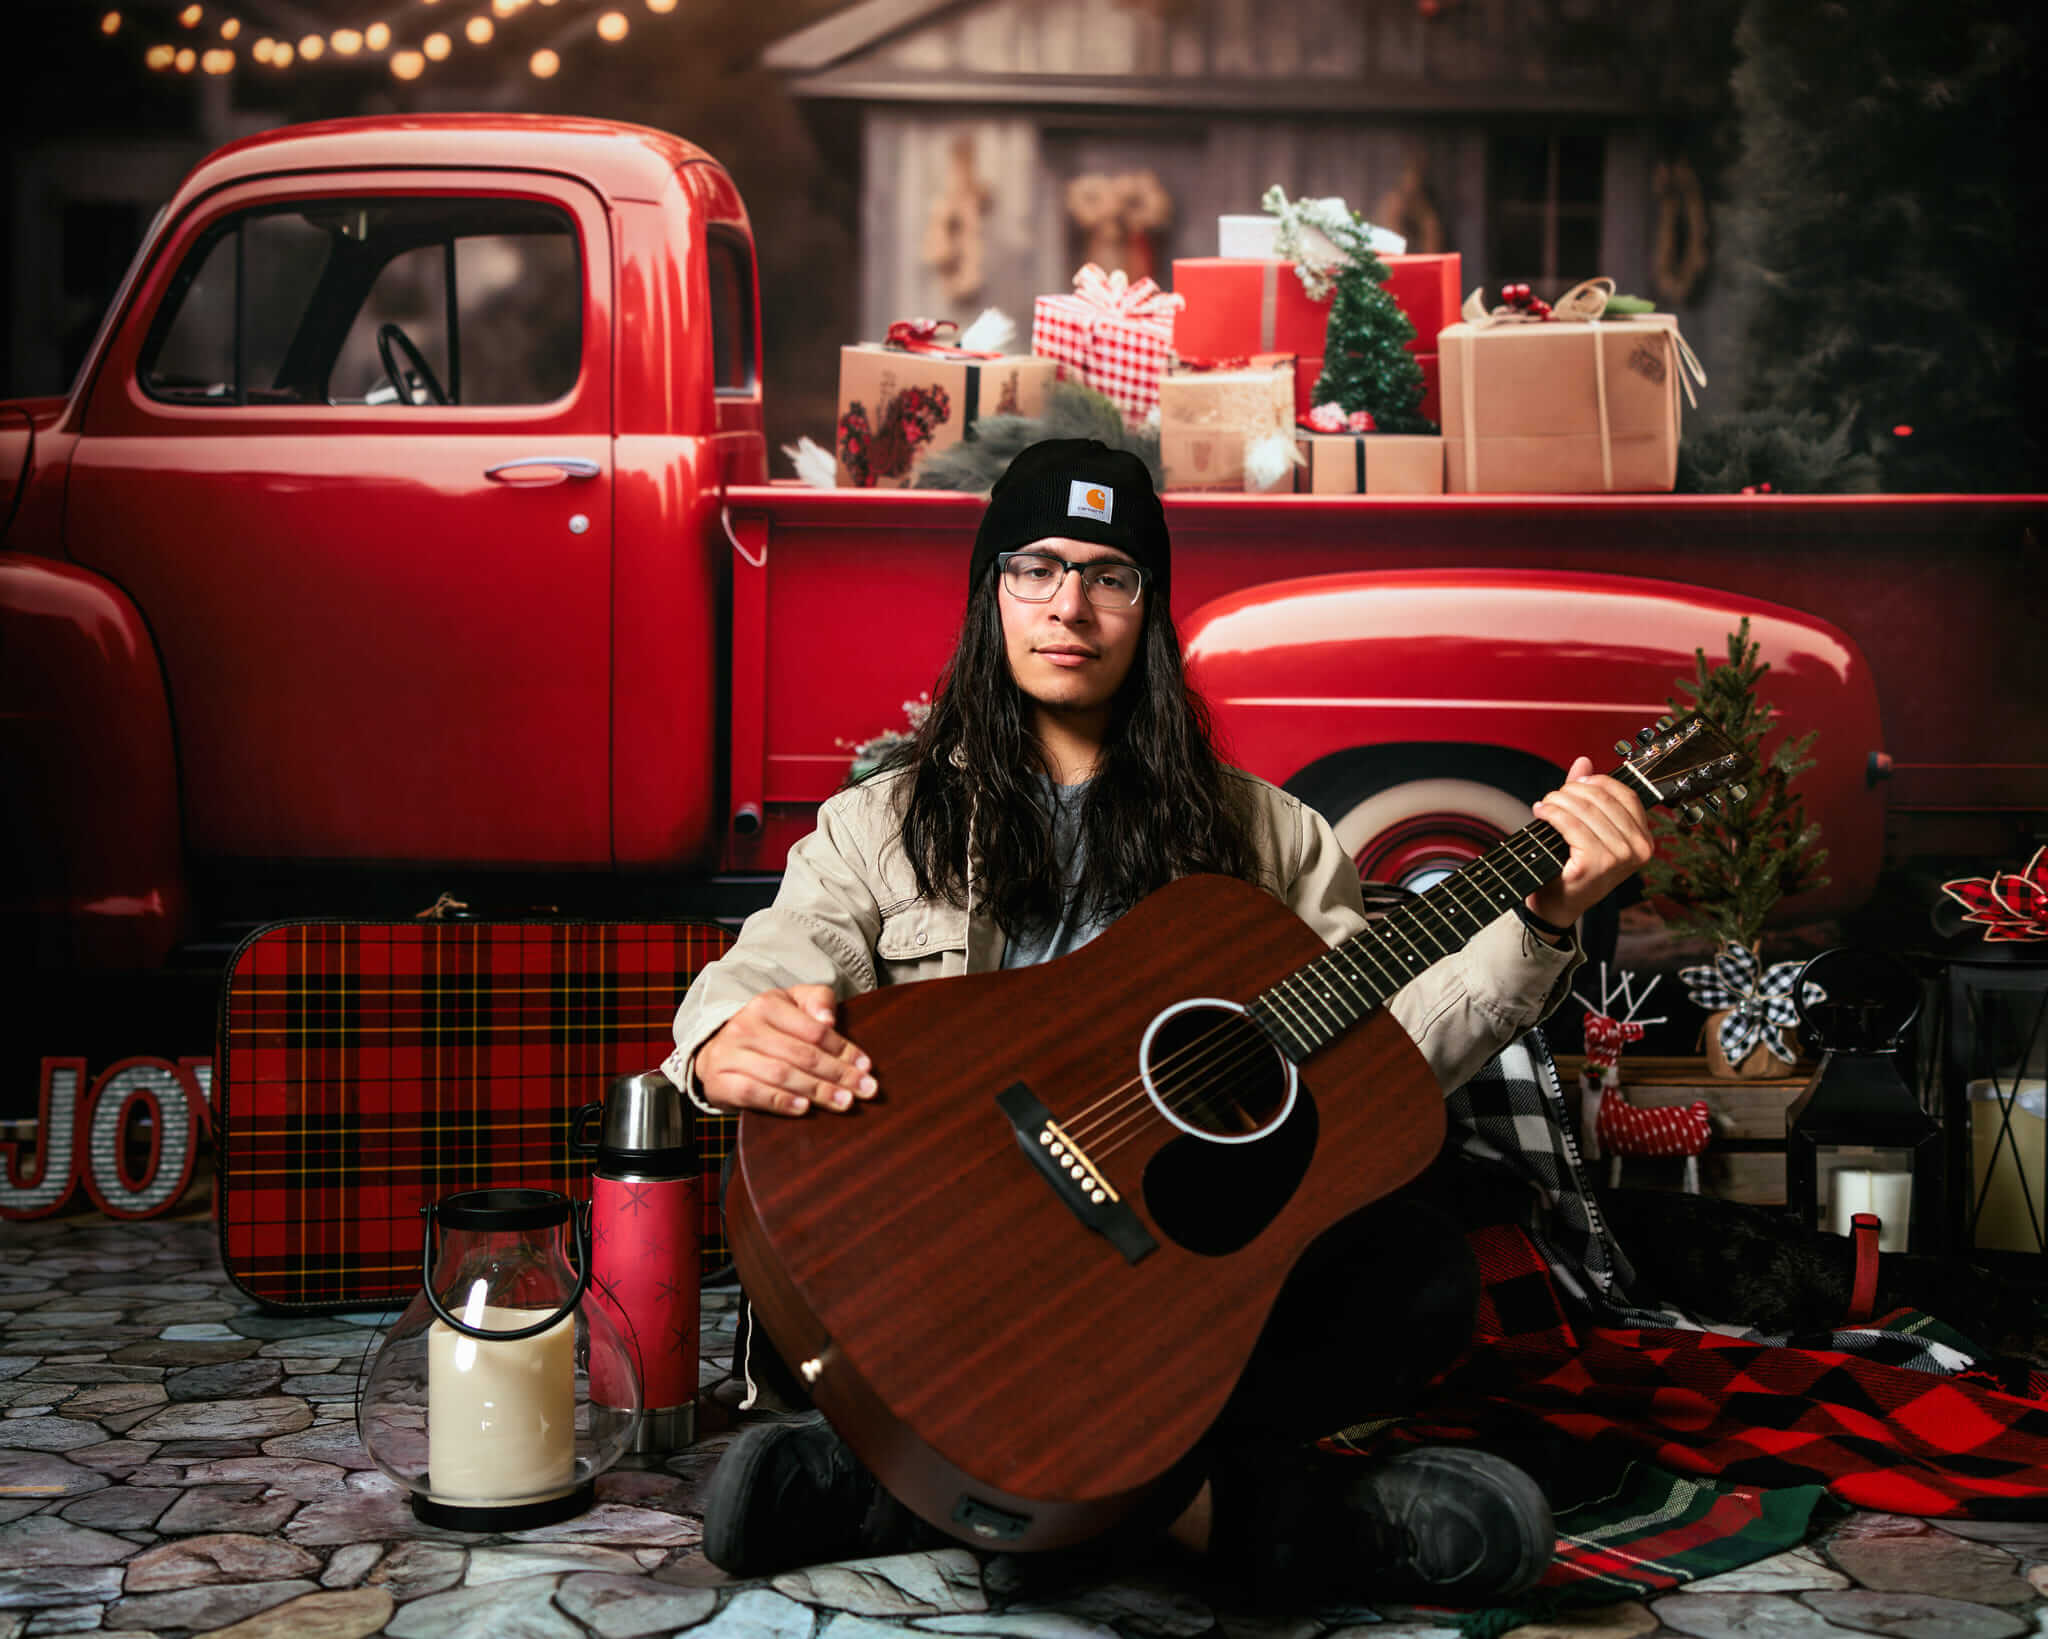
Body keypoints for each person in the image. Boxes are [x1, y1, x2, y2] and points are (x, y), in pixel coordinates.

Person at [664, 439, 1656, 1607]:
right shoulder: (877, 824)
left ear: (1152, 607)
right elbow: (769, 968)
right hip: (936, 1268)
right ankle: (1276, 1523)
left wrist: (1538, 916)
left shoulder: (1272, 837)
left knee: (1420, 1275)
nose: (1068, 605)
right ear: (989, 594)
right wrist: (727, 1036)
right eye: (1032, 568)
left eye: (1109, 573)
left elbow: (1381, 1070)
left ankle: (896, 1491)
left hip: (1156, 1294)